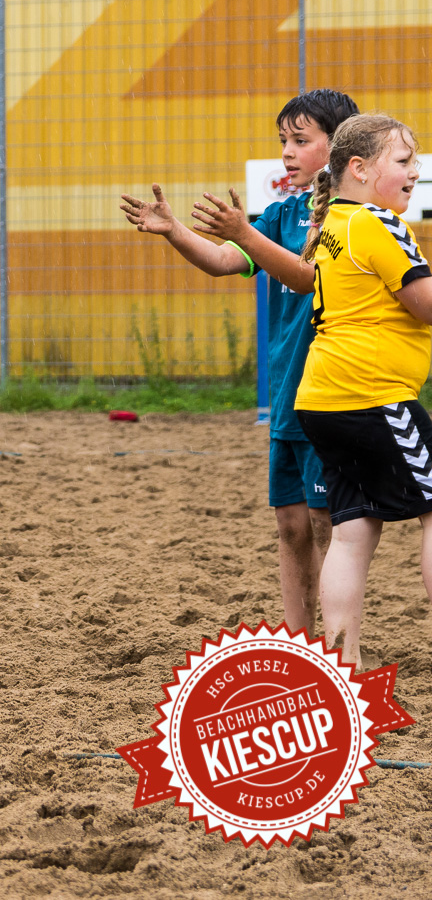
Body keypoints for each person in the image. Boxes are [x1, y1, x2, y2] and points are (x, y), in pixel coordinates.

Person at [119, 88, 359, 637]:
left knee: (330, 526)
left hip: (332, 395)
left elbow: (308, 276)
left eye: (301, 141)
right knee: (293, 526)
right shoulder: (282, 213)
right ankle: (301, 644)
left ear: (341, 149)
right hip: (287, 399)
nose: (287, 153)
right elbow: (225, 261)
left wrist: (245, 231)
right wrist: (175, 230)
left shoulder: (355, 220)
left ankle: (341, 646)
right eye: (283, 141)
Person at [292, 114, 432, 668]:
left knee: (353, 529)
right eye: (403, 162)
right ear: (358, 168)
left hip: (323, 399)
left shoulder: (333, 224)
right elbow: (423, 305)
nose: (414, 172)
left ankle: (343, 663)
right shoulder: (377, 222)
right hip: (372, 395)